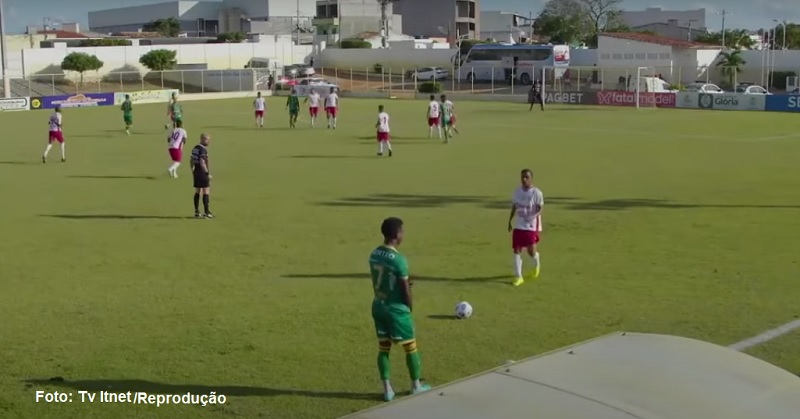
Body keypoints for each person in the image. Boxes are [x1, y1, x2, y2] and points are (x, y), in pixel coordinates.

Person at [369, 217, 431, 402]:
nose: (403, 234)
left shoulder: (373, 254)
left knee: (383, 348)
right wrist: (409, 305)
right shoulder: (399, 260)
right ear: (397, 235)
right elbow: (404, 289)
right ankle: (416, 386)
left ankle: (387, 390)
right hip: (396, 309)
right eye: (402, 231)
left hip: (378, 305)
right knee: (411, 347)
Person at [507, 169, 543, 286]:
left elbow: (540, 208)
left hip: (531, 226)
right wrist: (510, 220)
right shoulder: (517, 192)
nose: (524, 179)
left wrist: (534, 215)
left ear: (531, 178)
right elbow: (514, 206)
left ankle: (536, 261)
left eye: (526, 177)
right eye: (522, 177)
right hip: (519, 225)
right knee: (516, 250)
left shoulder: (537, 193)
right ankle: (519, 276)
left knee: (531, 251)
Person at [190, 133, 213, 219]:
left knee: (197, 191)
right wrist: (207, 173)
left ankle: (196, 211)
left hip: (196, 170)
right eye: (207, 140)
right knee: (206, 191)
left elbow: (191, 160)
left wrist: (192, 170)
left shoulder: (195, 148)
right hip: (202, 171)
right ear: (203, 139)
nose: (208, 142)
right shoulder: (203, 150)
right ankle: (206, 212)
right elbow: (202, 161)